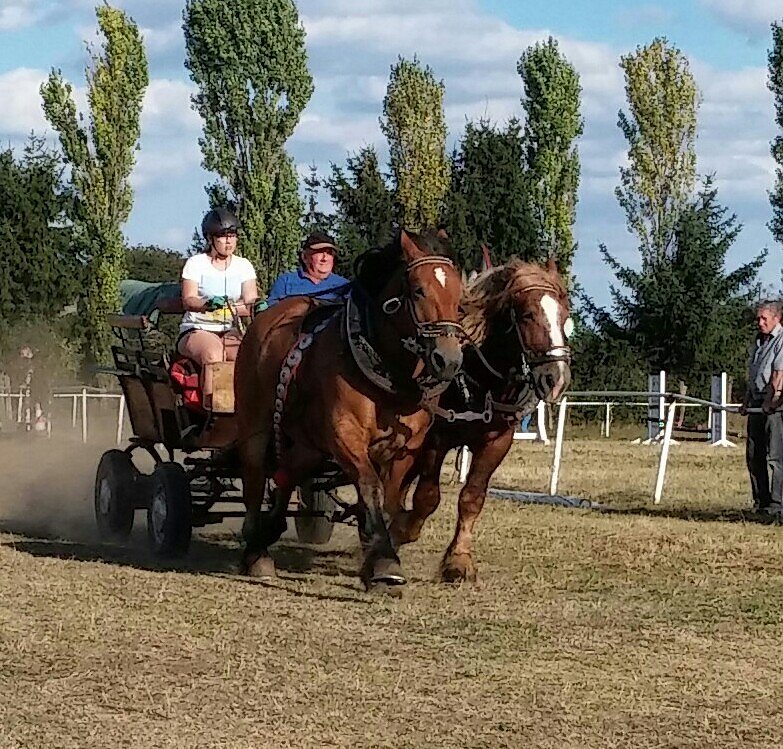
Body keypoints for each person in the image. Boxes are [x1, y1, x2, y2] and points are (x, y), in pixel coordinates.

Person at [178, 208, 258, 393]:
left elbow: (250, 300)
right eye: (222, 236)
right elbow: (188, 300)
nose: (229, 241)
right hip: (197, 329)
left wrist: (257, 304)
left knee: (248, 357)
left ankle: (244, 410)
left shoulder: (243, 265)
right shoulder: (196, 263)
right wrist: (207, 304)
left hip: (229, 330)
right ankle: (212, 410)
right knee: (214, 354)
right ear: (210, 238)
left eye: (232, 235)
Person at [739, 300, 783, 518]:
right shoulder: (758, 343)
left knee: (775, 456)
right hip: (756, 403)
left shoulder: (781, 341)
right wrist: (747, 401)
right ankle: (760, 502)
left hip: (774, 406)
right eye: (758, 318)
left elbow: (778, 375)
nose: (760, 322)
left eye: (764, 318)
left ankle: (777, 504)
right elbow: (754, 374)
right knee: (753, 454)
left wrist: (770, 403)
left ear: (777, 318)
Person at [267, 231, 348, 305]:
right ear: (305, 257)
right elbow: (272, 316)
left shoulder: (345, 286)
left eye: (329, 253)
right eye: (319, 252)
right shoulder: (285, 282)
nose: (325, 258)